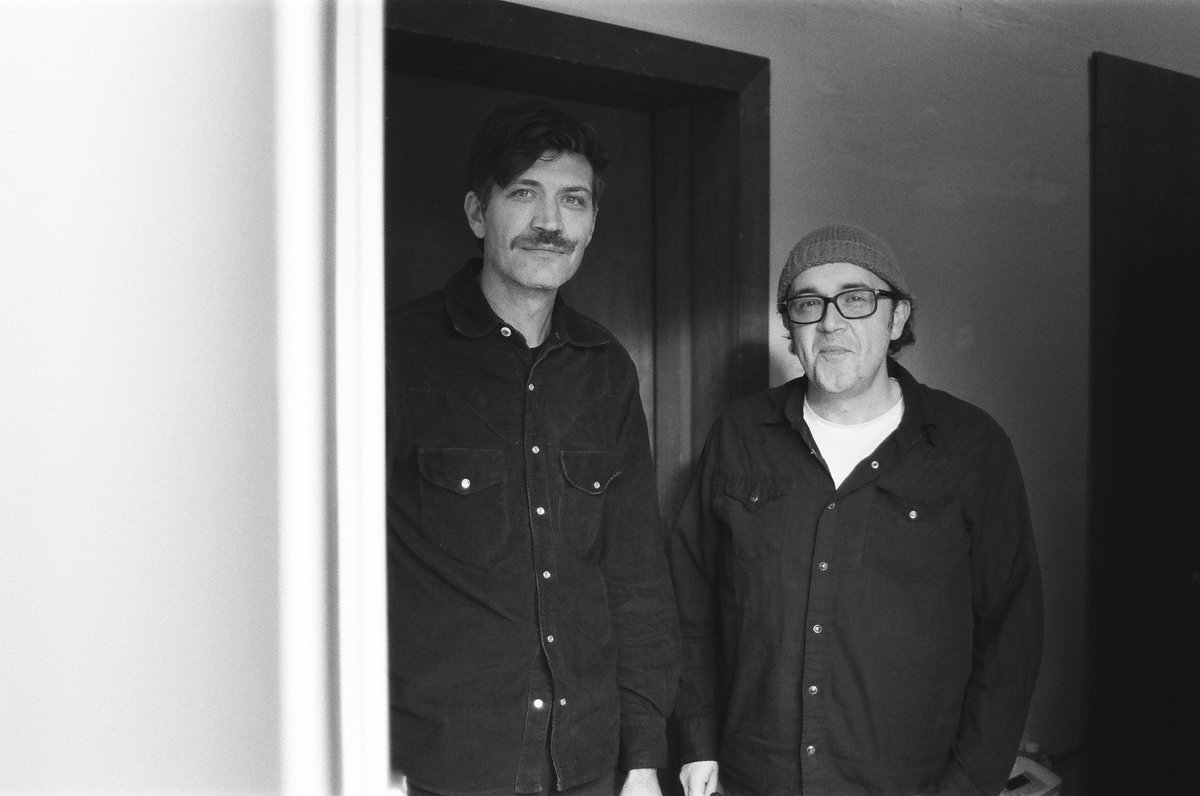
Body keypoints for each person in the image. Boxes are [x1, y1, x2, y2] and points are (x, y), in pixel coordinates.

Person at [668, 224, 1043, 795]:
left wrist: (970, 784)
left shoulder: (971, 447)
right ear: (790, 329)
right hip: (752, 778)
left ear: (896, 320)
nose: (831, 322)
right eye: (808, 303)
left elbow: (1011, 634)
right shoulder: (739, 436)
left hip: (912, 784)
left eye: (857, 299)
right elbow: (689, 601)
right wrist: (696, 742)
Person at [386, 101, 680, 796]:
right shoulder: (393, 354)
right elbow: (332, 571)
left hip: (588, 766)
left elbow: (636, 578)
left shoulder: (606, 368)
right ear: (476, 213)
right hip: (439, 768)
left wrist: (642, 759)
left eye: (572, 200)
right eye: (525, 193)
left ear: (591, 223)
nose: (551, 221)